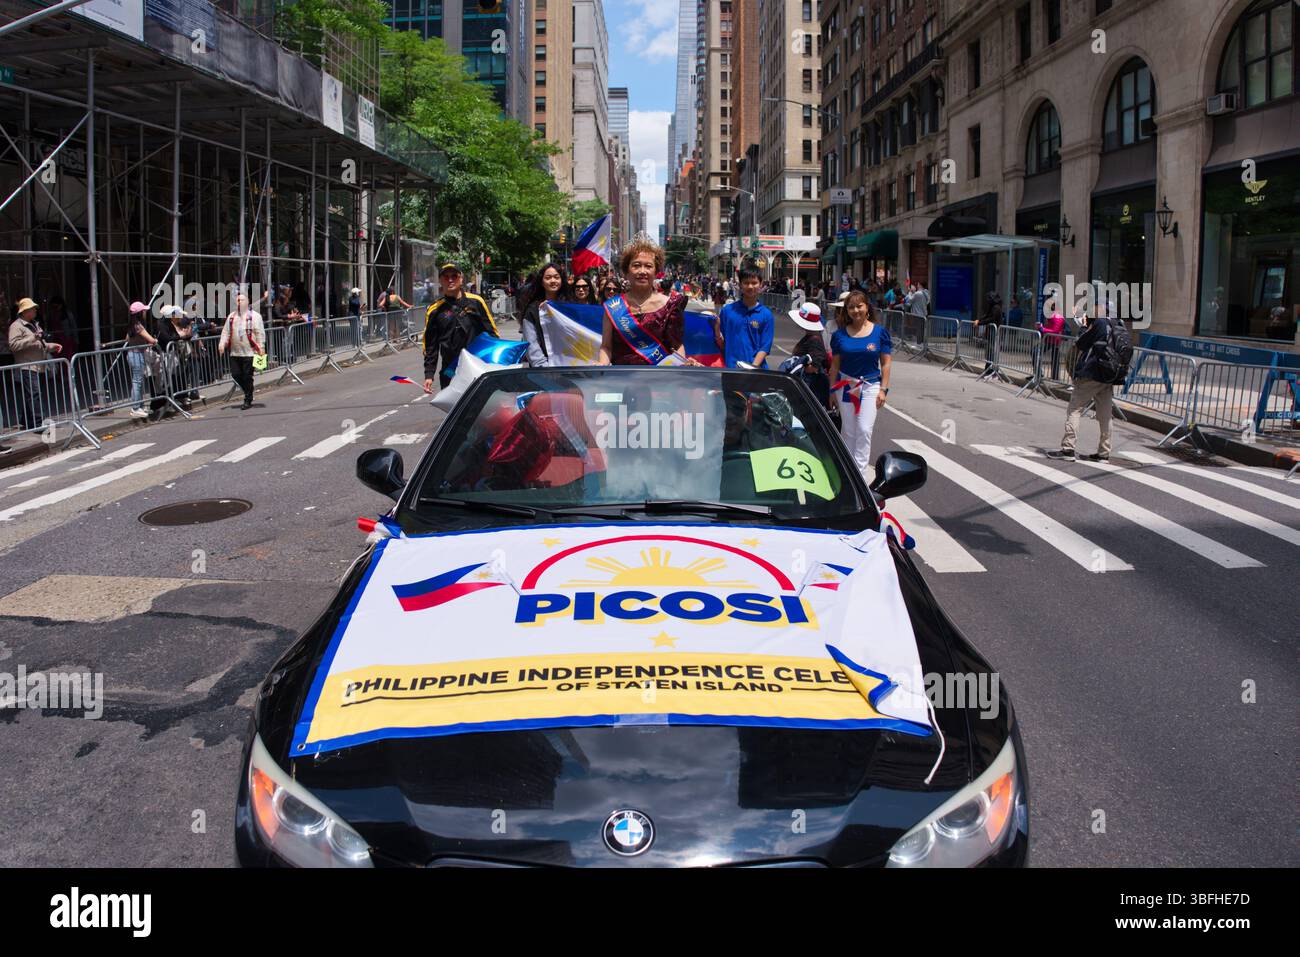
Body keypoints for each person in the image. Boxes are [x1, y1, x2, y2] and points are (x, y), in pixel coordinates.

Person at [1046, 301, 1122, 462]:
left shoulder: (1100, 323)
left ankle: (1068, 449)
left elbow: (1081, 343)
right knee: (1105, 415)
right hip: (1109, 375)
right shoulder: (1118, 324)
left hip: (1092, 373)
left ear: (1101, 309)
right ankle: (1103, 453)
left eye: (1094, 307)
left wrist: (1086, 327)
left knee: (1074, 409)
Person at [598, 238, 692, 366]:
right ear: (626, 271)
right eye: (636, 265)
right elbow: (606, 347)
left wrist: (682, 365)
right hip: (621, 380)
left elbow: (676, 346)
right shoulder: (613, 306)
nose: (642, 271)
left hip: (659, 380)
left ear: (656, 272)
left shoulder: (670, 306)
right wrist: (601, 364)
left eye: (648, 266)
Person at [829, 290, 892, 480]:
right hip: (846, 386)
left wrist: (883, 389)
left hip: (870, 386)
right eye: (851, 307)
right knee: (848, 430)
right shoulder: (839, 336)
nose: (855, 310)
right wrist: (832, 391)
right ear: (846, 311)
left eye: (859, 306)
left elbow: (886, 363)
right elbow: (834, 366)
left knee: (864, 429)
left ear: (867, 307)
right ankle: (848, 474)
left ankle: (861, 477)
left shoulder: (880, 333)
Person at [423, 263, 498, 391]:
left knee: (480, 408)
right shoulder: (434, 310)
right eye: (446, 277)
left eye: (454, 276)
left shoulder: (476, 301)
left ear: (461, 279)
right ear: (440, 281)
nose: (450, 280)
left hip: (478, 366)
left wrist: (495, 362)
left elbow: (492, 333)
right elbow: (431, 344)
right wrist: (429, 375)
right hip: (450, 370)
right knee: (455, 409)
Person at [8, 296, 64, 432]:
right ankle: (38, 423)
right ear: (25, 311)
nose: (35, 311)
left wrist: (52, 346)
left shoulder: (34, 324)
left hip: (37, 365)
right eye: (32, 309)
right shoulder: (16, 326)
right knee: (34, 394)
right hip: (26, 365)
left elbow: (40, 344)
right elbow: (13, 345)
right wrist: (33, 337)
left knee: (32, 394)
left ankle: (26, 420)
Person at [717, 268, 774, 369]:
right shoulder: (728, 311)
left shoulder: (766, 315)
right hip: (731, 370)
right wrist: (715, 328)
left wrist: (752, 368)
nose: (750, 286)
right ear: (740, 285)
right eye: (746, 283)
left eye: (754, 283)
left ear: (761, 284)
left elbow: (765, 347)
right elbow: (721, 342)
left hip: (756, 371)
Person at [218, 292, 265, 410]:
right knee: (236, 375)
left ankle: (247, 398)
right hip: (235, 352)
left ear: (248, 302)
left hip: (249, 352)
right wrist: (221, 344)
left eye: (242, 300)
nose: (239, 302)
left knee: (247, 376)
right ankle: (249, 392)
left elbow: (259, 333)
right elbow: (225, 332)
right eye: (238, 300)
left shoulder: (255, 316)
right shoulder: (232, 316)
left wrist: (261, 347)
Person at [521, 263, 570, 368]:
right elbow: (531, 343)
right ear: (542, 282)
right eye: (548, 278)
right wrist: (544, 368)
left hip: (569, 367)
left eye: (556, 277)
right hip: (543, 371)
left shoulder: (569, 306)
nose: (553, 281)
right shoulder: (532, 310)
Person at [788, 301, 833, 413]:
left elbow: (815, 365)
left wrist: (800, 369)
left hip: (811, 387)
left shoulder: (814, 340)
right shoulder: (812, 336)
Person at [120, 301, 157, 419]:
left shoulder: (132, 325)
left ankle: (139, 406)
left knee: (138, 381)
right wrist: (155, 341)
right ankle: (136, 407)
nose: (146, 312)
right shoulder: (138, 326)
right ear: (140, 313)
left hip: (133, 354)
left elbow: (127, 339)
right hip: (136, 355)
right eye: (144, 311)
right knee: (137, 381)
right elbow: (151, 340)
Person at [975, 291, 1002, 375]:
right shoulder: (992, 306)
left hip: (995, 331)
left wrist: (979, 323)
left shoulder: (996, 307)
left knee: (992, 350)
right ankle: (988, 369)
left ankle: (992, 370)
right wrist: (979, 320)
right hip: (990, 331)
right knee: (989, 351)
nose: (987, 300)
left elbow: (992, 319)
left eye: (989, 298)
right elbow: (986, 315)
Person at [1037, 305, 1066, 380]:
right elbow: (1049, 327)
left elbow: (1055, 330)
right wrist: (1042, 328)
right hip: (1049, 339)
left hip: (1054, 341)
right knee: (1036, 352)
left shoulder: (1058, 317)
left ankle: (1054, 377)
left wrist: (1043, 329)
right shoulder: (1052, 317)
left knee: (1055, 358)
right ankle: (1040, 373)